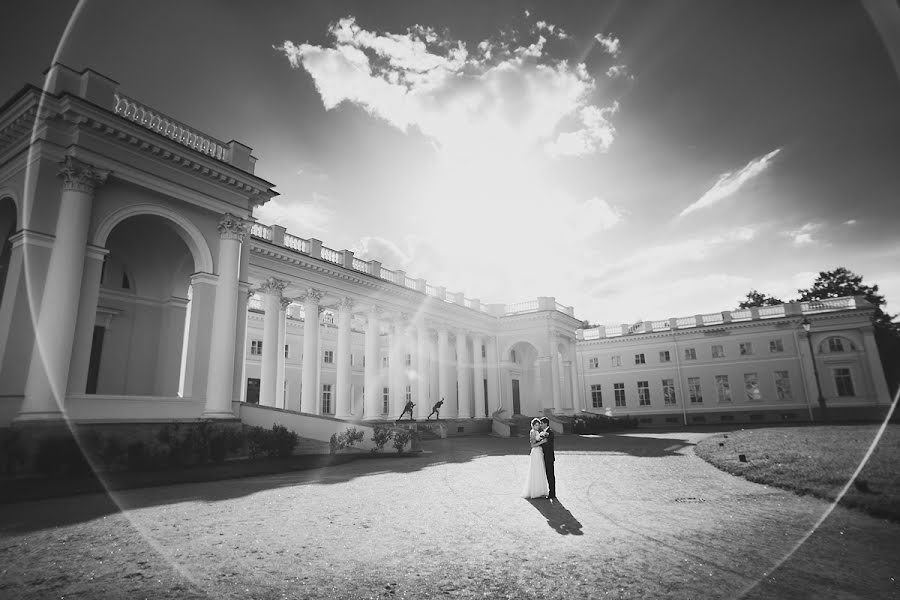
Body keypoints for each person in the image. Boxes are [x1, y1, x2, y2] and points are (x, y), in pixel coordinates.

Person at [521, 418, 550, 499]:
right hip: (535, 452)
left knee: (540, 470)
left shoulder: (537, 432)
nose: (537, 426)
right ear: (533, 425)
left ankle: (540, 491)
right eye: (536, 425)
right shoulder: (533, 432)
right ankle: (535, 491)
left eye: (538, 425)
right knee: (536, 470)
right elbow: (532, 445)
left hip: (539, 452)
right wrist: (542, 442)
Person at [540, 417, 556, 499]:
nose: (540, 425)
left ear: (546, 423)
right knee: (548, 475)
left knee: (550, 475)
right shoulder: (543, 432)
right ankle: (550, 492)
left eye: (541, 423)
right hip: (544, 456)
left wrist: (540, 443)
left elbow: (547, 445)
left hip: (549, 457)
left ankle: (552, 493)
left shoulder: (550, 432)